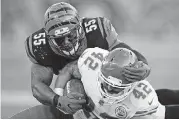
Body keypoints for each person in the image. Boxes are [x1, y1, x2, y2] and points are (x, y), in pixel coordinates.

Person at [19, 2, 151, 119]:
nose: (66, 43)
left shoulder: (97, 30)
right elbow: (37, 86)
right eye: (59, 39)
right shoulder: (40, 47)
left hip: (104, 76)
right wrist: (57, 100)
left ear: (80, 29)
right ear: (49, 39)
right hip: (74, 82)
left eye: (70, 36)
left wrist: (142, 64)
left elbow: (124, 52)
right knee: (74, 88)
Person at [54, 47, 179, 119]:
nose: (108, 88)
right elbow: (69, 69)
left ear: (130, 86)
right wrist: (58, 95)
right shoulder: (91, 62)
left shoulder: (141, 97)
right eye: (105, 82)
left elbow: (164, 115)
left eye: (115, 87)